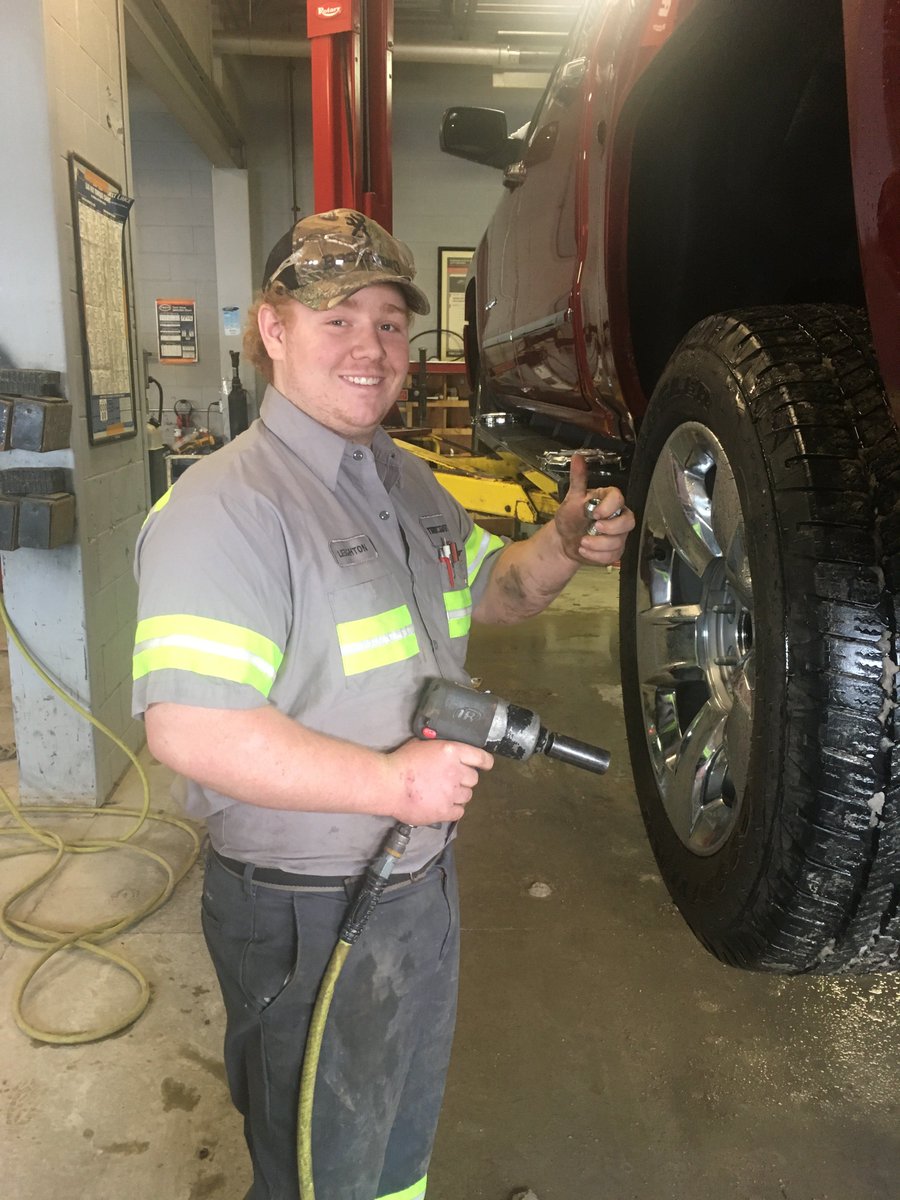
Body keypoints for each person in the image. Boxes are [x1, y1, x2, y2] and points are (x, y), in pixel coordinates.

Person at [132, 207, 633, 1200]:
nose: (371, 346)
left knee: (393, 1151)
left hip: (414, 887)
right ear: (274, 330)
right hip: (305, 906)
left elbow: (495, 590)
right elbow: (189, 729)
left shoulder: (406, 482)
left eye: (391, 322)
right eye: (337, 318)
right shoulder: (226, 508)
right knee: (322, 1167)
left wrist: (565, 544)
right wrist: (390, 782)